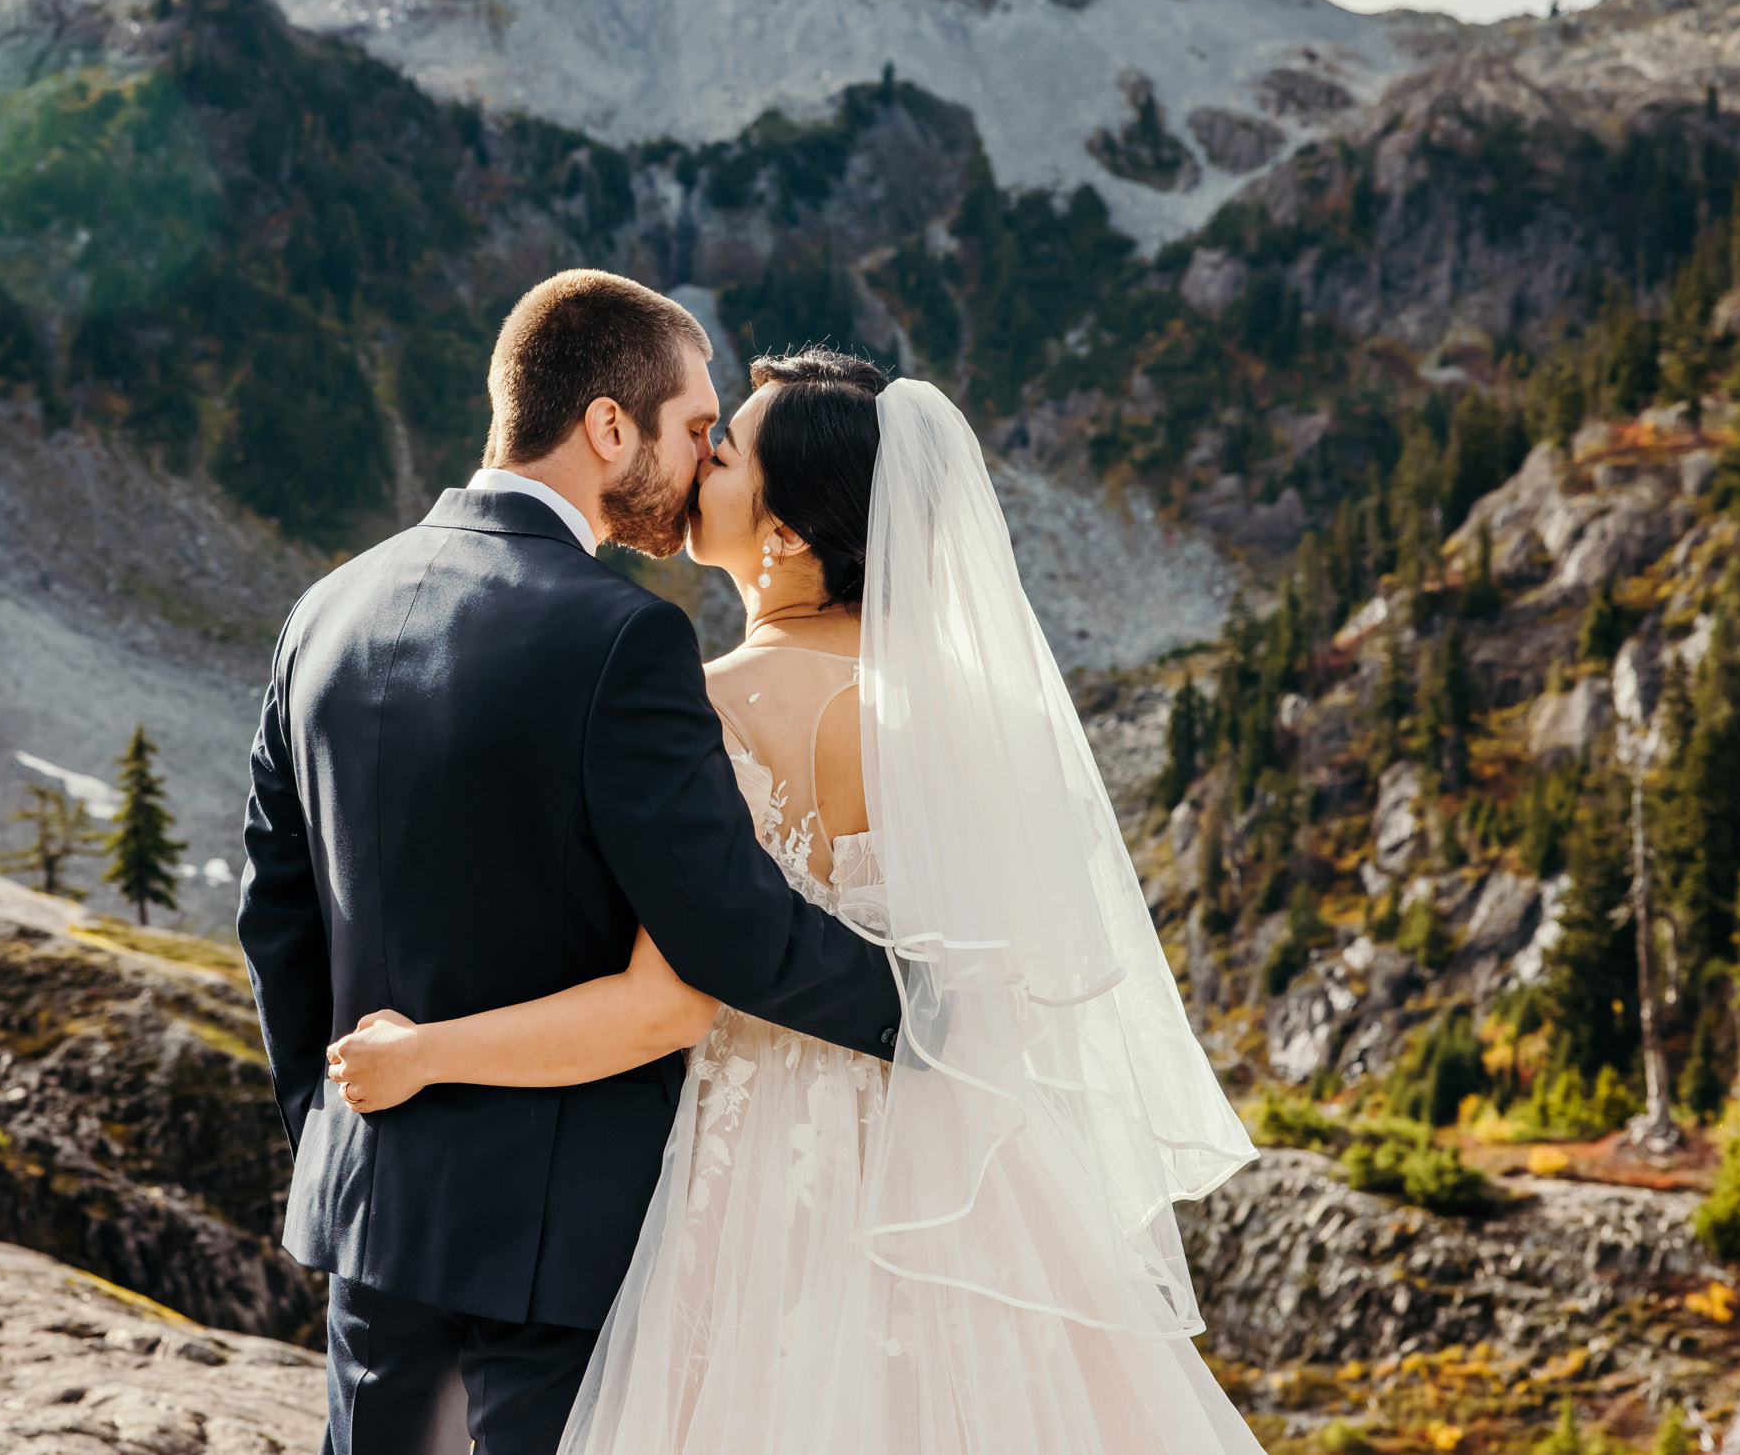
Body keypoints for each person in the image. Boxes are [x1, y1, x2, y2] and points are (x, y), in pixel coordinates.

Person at [329, 349, 1266, 1455]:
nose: (696, 461)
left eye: (720, 451)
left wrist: (425, 1052)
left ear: (781, 536)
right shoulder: (977, 717)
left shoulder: (708, 703)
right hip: (966, 1166)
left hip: (754, 1171)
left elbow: (665, 1006)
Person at [238, 274, 904, 1455]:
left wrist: (345, 1140)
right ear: (608, 426)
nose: (704, 460)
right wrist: (931, 1015)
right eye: (697, 427)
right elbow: (730, 930)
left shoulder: (324, 610)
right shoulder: (621, 637)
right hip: (553, 1252)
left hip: (372, 1218)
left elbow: (277, 915)